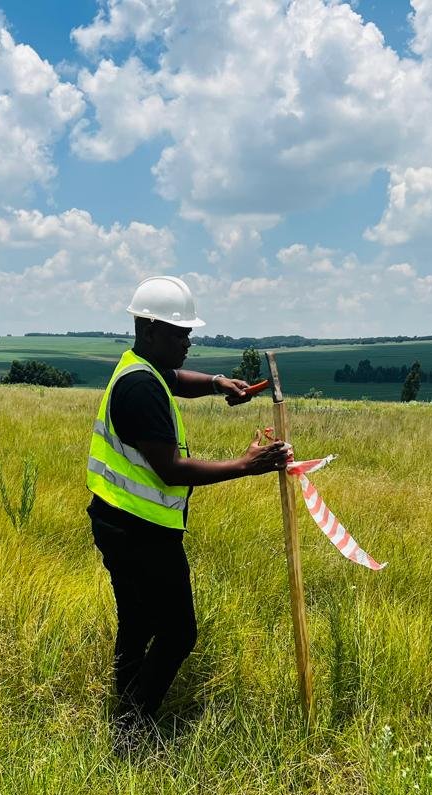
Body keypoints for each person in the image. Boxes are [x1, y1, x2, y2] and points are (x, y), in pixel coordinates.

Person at [86, 276, 291, 738]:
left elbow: (177, 380)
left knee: (137, 619)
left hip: (117, 518)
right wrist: (245, 465)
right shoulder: (140, 389)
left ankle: (126, 699)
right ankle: (132, 729)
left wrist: (218, 383)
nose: (187, 343)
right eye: (180, 334)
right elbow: (170, 470)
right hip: (141, 531)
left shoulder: (142, 368)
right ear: (151, 329)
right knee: (178, 633)